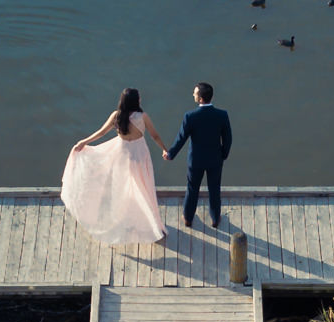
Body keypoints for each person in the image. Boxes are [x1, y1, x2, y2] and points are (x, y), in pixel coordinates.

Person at [61, 87, 168, 245]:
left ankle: (124, 220)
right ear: (136, 101)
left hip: (122, 155)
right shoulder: (142, 117)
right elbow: (155, 135)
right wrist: (164, 149)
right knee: (144, 188)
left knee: (122, 188)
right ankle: (150, 222)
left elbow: (101, 133)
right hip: (139, 155)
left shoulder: (116, 116)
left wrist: (84, 142)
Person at [164, 82, 232, 230]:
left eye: (195, 93)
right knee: (214, 189)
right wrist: (223, 155)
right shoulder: (222, 115)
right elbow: (228, 139)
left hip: (195, 161)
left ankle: (188, 218)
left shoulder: (190, 116)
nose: (193, 95)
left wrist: (170, 154)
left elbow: (181, 138)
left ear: (200, 99)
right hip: (215, 159)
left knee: (192, 188)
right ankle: (215, 219)